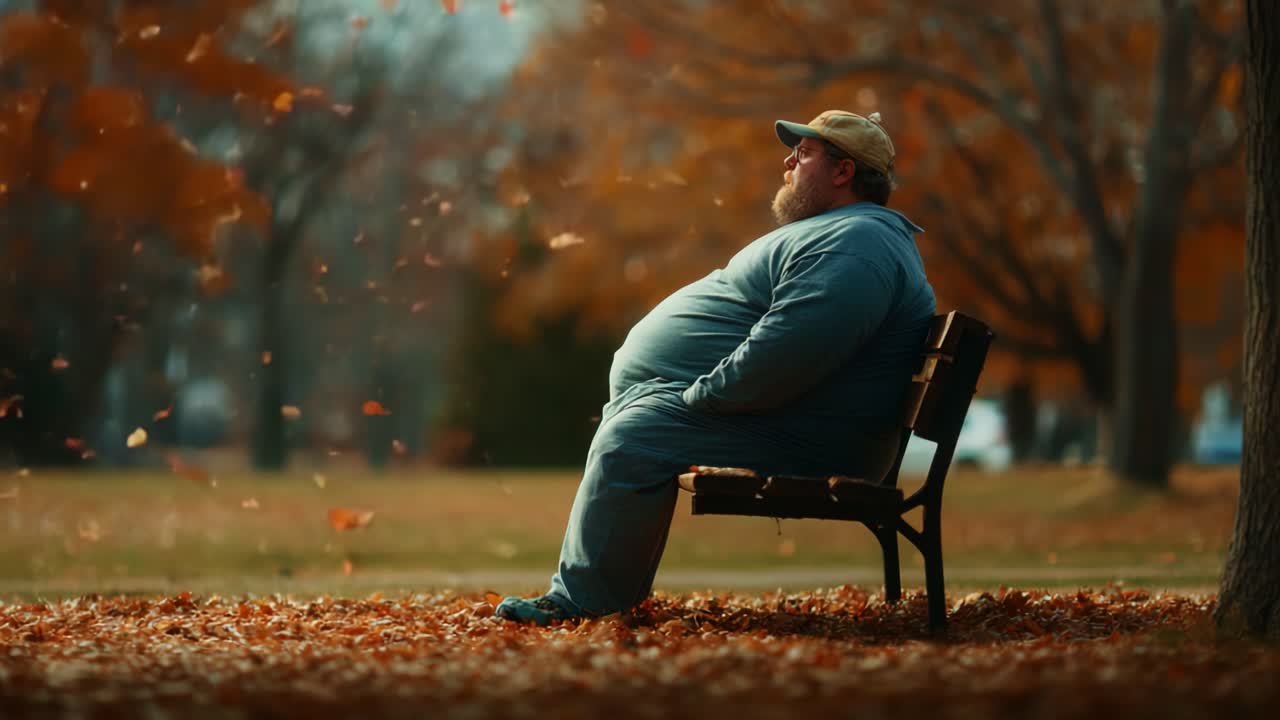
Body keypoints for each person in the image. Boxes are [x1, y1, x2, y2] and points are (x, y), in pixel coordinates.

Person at [496, 110, 936, 625]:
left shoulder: (858, 244)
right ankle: (600, 596)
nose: (788, 161)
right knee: (639, 427)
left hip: (811, 441)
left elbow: (792, 350)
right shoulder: (845, 235)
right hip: (788, 424)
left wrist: (695, 397)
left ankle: (584, 603)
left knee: (636, 437)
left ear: (843, 172)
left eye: (805, 153)